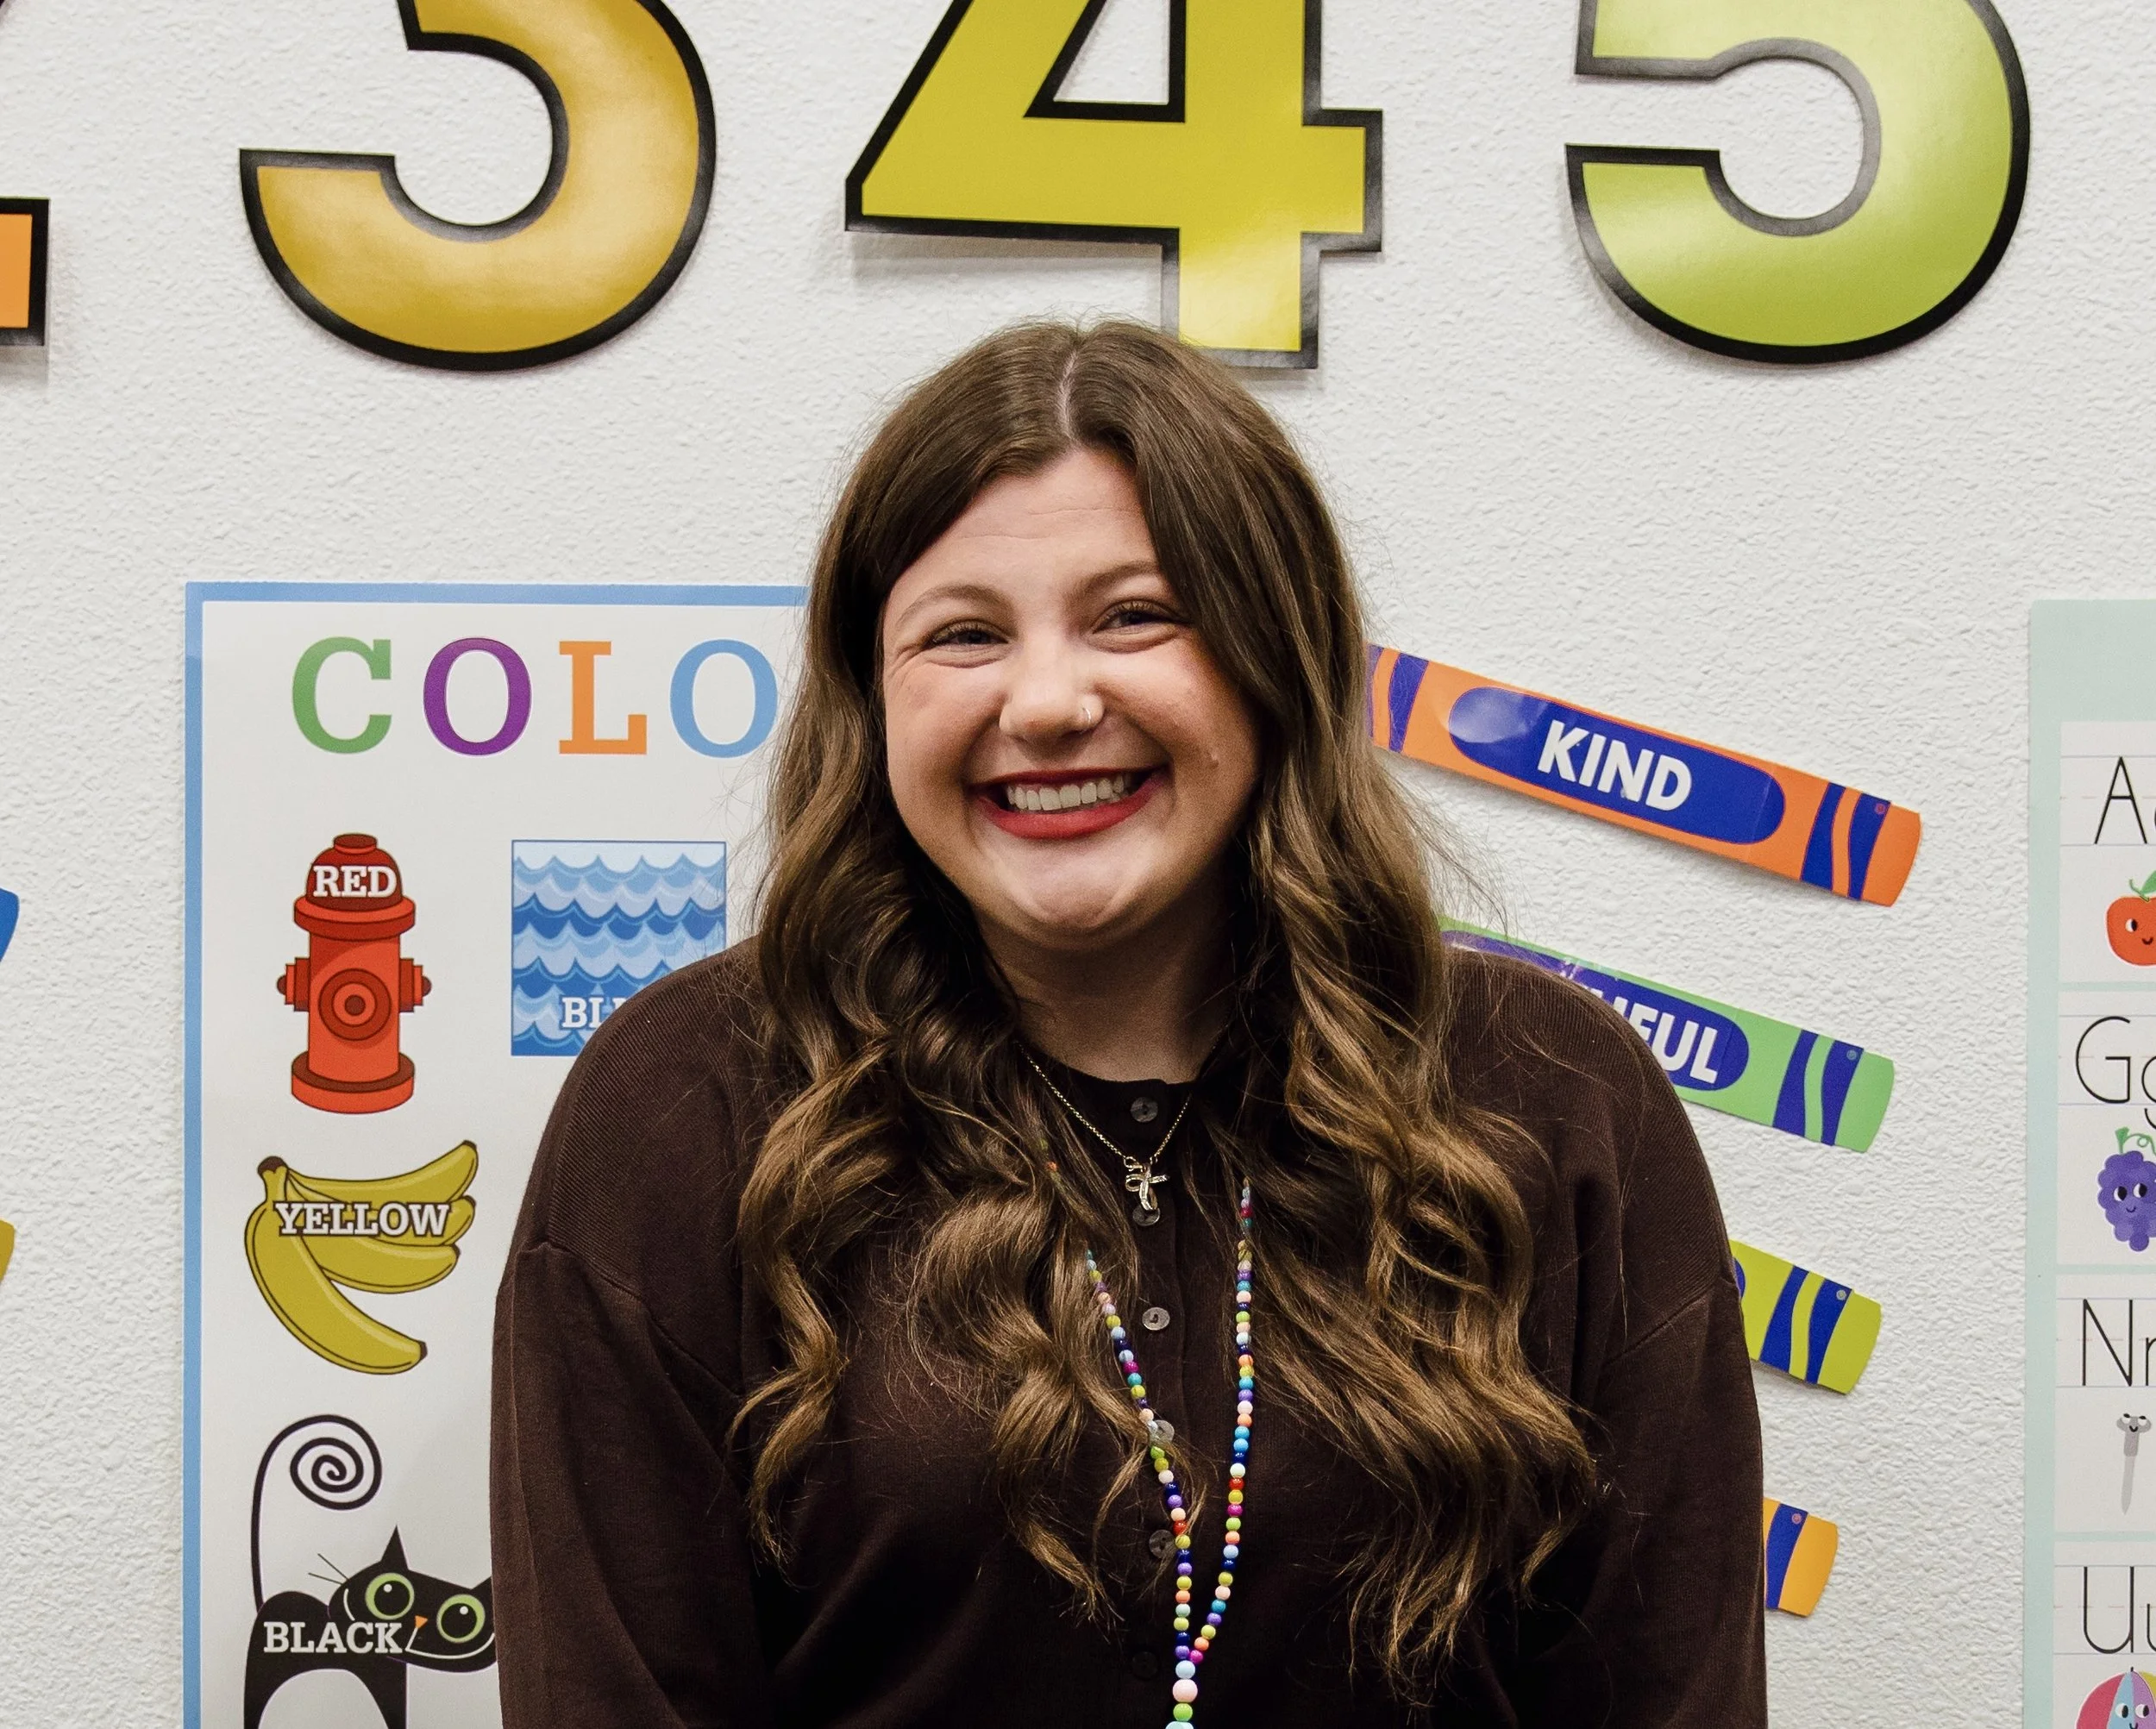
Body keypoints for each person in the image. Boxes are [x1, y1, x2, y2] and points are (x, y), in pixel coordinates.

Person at [490, 320, 1766, 1727]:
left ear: (1276, 657)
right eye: (962, 635)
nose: (1047, 703)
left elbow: (1670, 1693)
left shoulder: (1552, 1101)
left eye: (1135, 615)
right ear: (873, 697)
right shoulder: (688, 1106)